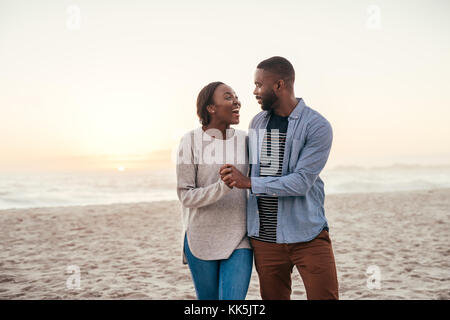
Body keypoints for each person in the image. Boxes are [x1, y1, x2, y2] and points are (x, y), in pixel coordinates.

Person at [220, 56, 339, 300]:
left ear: (279, 85)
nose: (254, 91)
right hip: (265, 239)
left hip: (308, 235)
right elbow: (252, 167)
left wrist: (250, 182)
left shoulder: (317, 126)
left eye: (259, 84)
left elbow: (300, 182)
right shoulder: (258, 123)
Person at [176, 81, 253, 300]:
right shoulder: (189, 141)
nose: (237, 101)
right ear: (211, 107)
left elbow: (257, 181)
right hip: (201, 238)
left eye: (236, 96)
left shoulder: (246, 140)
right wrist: (222, 187)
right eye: (228, 97)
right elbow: (185, 195)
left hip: (240, 237)